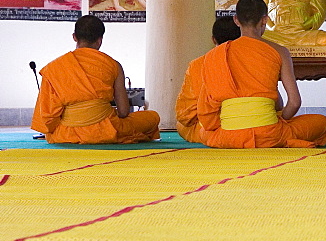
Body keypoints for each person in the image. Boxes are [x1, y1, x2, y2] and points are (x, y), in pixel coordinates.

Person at [198, 0, 326, 148]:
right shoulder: (279, 51)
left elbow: (206, 111)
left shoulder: (215, 55)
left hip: (230, 136)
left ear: (236, 20)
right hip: (270, 134)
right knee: (320, 122)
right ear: (265, 20)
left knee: (203, 132)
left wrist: (231, 123)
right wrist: (278, 120)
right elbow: (294, 102)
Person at [31, 15, 160, 144]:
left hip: (66, 134)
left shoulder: (54, 68)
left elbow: (48, 117)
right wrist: (101, 113)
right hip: (106, 130)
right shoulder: (113, 65)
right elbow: (124, 112)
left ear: (74, 37)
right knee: (152, 117)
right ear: (100, 40)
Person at [175, 16, 241, 144]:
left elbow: (184, 116)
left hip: (209, 128)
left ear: (213, 39)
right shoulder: (250, 61)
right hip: (246, 123)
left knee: (180, 125)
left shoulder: (197, 64)